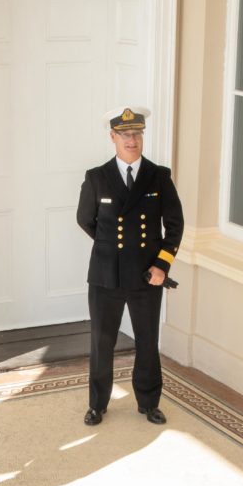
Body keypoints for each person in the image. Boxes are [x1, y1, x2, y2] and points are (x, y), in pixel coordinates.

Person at [75, 106, 185, 426]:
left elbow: (174, 225)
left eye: (136, 134)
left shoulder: (158, 176)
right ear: (113, 138)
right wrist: (112, 249)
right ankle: (97, 404)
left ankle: (149, 402)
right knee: (102, 342)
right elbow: (85, 220)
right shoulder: (96, 177)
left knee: (147, 341)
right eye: (125, 135)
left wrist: (161, 265)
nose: (132, 140)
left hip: (146, 275)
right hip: (105, 275)